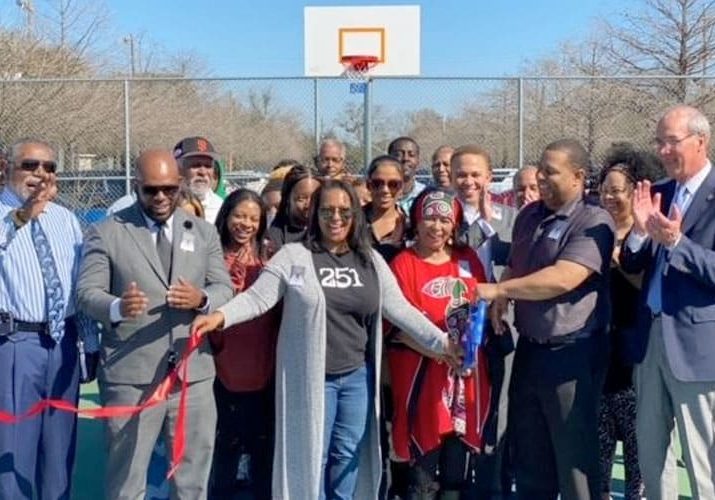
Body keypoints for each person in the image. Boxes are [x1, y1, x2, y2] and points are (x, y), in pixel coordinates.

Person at [191, 179, 461, 499]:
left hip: (357, 378)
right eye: (327, 210)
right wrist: (219, 316)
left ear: (355, 217)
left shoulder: (370, 260)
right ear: (316, 214)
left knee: (346, 457)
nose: (336, 218)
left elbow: (400, 309)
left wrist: (442, 343)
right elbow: (257, 299)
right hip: (312, 379)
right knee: (312, 459)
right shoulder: (294, 256)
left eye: (344, 212)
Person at [77, 149, 233, 499]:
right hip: (131, 377)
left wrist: (202, 300)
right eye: (151, 190)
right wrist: (118, 306)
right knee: (127, 480)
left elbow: (225, 287)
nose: (161, 197)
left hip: (192, 376)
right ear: (136, 187)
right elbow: (87, 293)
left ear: (179, 185)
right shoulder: (106, 232)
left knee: (192, 479)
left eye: (168, 189)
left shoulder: (204, 232)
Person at [479, 138, 614, 499]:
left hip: (572, 356)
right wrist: (503, 292)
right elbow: (516, 265)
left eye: (550, 171)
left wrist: (497, 291)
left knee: (574, 466)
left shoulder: (594, 220)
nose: (540, 177)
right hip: (530, 353)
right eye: (540, 168)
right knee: (531, 461)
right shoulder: (529, 215)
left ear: (578, 176)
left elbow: (563, 277)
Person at [620, 105, 715, 500]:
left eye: (671, 141)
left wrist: (677, 243)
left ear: (700, 141)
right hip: (650, 341)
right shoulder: (657, 192)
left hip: (696, 349)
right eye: (659, 142)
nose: (662, 150)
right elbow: (631, 261)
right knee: (653, 453)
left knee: (701, 459)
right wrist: (641, 233)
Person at [387, 188, 492, 500]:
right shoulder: (404, 263)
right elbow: (397, 325)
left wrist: (465, 351)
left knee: (455, 471)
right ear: (416, 222)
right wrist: (441, 351)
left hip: (464, 377)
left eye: (445, 219)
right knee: (422, 472)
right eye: (429, 218)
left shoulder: (467, 259)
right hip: (422, 376)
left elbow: (482, 306)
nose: (437, 226)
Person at [0, 139, 85, 499]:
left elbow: (82, 286)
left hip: (63, 345)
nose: (41, 174)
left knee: (58, 456)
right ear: (7, 167)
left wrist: (89, 348)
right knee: (14, 455)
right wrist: (22, 217)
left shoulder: (66, 220)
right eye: (31, 165)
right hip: (17, 345)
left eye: (49, 168)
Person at [597, 143, 664, 500]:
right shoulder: (593, 229)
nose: (608, 196)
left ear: (637, 191)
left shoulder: (649, 234)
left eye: (617, 190)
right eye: (604, 189)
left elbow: (647, 285)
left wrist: (621, 260)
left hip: (635, 349)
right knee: (600, 441)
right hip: (599, 348)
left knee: (640, 443)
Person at [450, 145, 517, 498]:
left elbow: (519, 265)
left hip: (500, 331)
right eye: (461, 174)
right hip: (455, 334)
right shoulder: (441, 220)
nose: (469, 181)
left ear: (490, 177)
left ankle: (494, 487)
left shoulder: (511, 219)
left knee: (497, 416)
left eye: (476, 174)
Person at [208, 189, 280, 500]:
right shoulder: (209, 256)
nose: (245, 224)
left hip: (263, 367)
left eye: (253, 218)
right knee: (225, 451)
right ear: (226, 217)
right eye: (239, 216)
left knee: (263, 454)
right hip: (222, 368)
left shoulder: (270, 258)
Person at [265, 163, 320, 250]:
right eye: (301, 199)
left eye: (315, 197)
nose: (308, 205)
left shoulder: (330, 230)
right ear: (288, 199)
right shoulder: (276, 235)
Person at [363, 155, 407, 263]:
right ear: (368, 185)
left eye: (393, 184)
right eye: (377, 183)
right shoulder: (353, 222)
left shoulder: (411, 227)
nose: (385, 190)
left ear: (402, 188)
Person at [173, 136, 225, 223]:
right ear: (178, 169)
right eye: (196, 165)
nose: (203, 172)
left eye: (208, 166)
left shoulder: (222, 209)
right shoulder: (164, 205)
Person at [388, 137, 426, 214]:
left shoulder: (425, 194)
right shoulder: (380, 193)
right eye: (398, 154)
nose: (405, 158)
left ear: (418, 160)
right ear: (389, 159)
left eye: (411, 155)